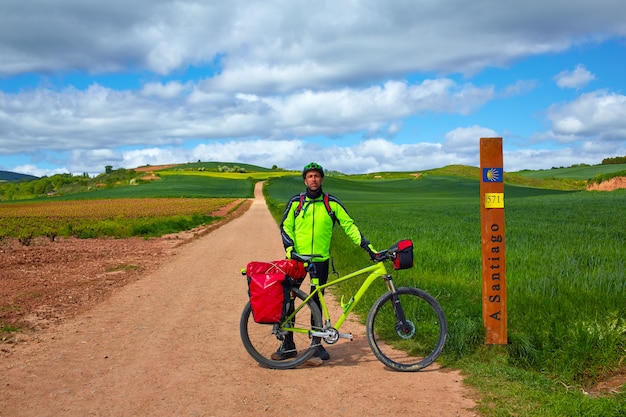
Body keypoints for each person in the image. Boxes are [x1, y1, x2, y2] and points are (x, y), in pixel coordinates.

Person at [273, 162, 377, 361]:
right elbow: (285, 226)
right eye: (310, 176)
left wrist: (367, 246)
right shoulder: (296, 202)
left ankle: (316, 345)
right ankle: (287, 345)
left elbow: (349, 226)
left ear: (322, 179)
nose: (313, 179)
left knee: (316, 302)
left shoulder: (332, 203)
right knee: (289, 299)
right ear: (305, 180)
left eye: (317, 176)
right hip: (297, 259)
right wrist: (290, 250)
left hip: (320, 261)